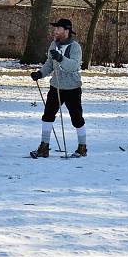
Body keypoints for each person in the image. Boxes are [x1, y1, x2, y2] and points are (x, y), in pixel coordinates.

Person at [29, 19, 87, 158]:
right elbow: (49, 64)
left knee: (77, 118)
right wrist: (40, 73)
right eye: (55, 28)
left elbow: (73, 66)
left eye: (58, 29)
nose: (55, 31)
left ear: (66, 31)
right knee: (47, 115)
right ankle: (44, 147)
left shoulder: (75, 47)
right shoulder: (53, 45)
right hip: (56, 86)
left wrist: (61, 58)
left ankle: (82, 147)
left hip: (72, 87)